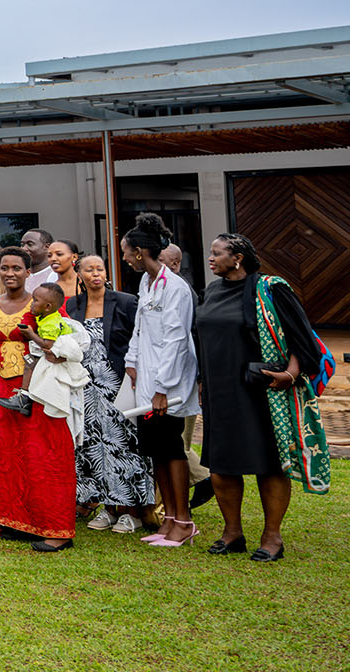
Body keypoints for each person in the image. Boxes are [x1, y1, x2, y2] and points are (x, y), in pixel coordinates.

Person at [194, 233, 330, 560]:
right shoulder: (211, 291)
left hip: (262, 392)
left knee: (268, 465)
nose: (210, 258)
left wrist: (291, 373)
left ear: (238, 257)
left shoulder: (271, 289)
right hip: (219, 391)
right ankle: (232, 533)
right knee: (222, 465)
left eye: (217, 253)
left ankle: (272, 537)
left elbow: (302, 336)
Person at [0, 247, 78, 552]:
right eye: (4, 268)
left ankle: (57, 529)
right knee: (12, 459)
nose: (10, 274)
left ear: (28, 272)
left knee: (46, 457)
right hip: (4, 391)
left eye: (16, 269)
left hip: (41, 391)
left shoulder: (45, 303)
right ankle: (18, 522)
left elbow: (63, 339)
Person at [120, 213, 200, 548]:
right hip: (145, 382)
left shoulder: (175, 288)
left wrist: (163, 388)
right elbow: (140, 328)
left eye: (126, 252)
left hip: (168, 387)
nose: (123, 258)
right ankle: (168, 520)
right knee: (155, 452)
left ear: (140, 252)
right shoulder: (146, 283)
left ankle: (184, 521)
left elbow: (176, 339)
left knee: (172, 450)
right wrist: (132, 362)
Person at [66, 255, 153, 533]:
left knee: (125, 446)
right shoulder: (72, 305)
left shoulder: (125, 301)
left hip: (118, 384)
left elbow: (139, 339)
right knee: (93, 447)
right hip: (85, 388)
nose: (95, 274)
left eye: (99, 269)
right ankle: (106, 507)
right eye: (89, 270)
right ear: (79, 274)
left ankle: (133, 510)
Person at [0, 284, 91, 430]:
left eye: (35, 300)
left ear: (47, 307)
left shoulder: (50, 324)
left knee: (28, 362)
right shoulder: (47, 316)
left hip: (55, 354)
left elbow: (48, 345)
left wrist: (31, 334)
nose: (31, 304)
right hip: (49, 350)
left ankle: (24, 396)